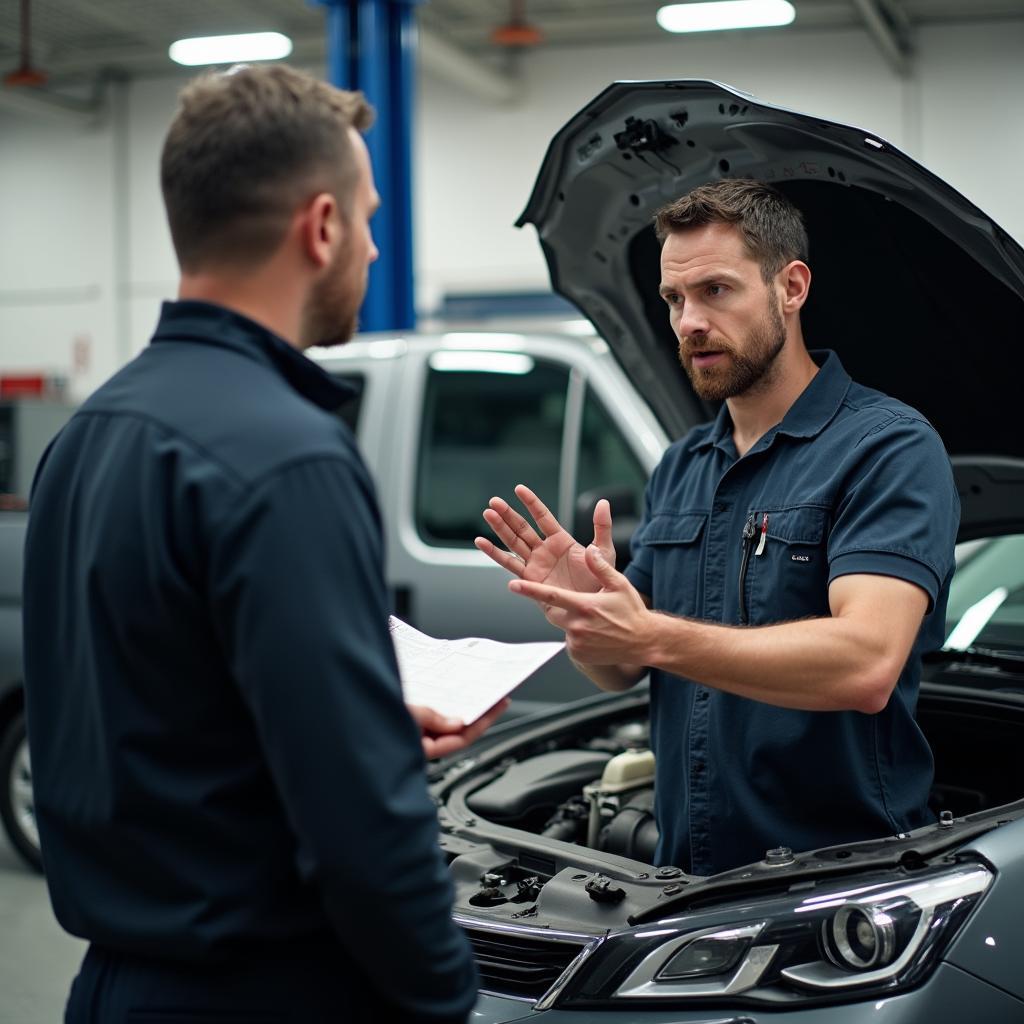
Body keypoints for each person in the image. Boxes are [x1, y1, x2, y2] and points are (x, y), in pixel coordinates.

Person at [23, 64, 503, 1024]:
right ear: (320, 227)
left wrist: (358, 718)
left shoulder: (89, 435)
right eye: (367, 216)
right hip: (261, 993)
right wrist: (447, 999)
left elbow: (157, 711)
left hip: (112, 986)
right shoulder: (289, 456)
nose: (373, 244)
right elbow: (361, 834)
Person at [476, 179, 958, 877]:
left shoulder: (887, 448)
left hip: (843, 888)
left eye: (716, 292)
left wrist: (652, 634)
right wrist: (581, 615)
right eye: (675, 299)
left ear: (791, 287)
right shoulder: (684, 464)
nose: (688, 322)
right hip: (683, 882)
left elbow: (866, 663)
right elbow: (619, 670)